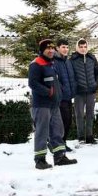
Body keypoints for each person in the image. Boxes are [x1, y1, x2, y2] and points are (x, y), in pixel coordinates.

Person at [28, 39, 77, 169]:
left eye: (52, 48)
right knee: (42, 132)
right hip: (42, 105)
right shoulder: (36, 64)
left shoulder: (52, 63)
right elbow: (32, 83)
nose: (50, 51)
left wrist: (58, 92)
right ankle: (40, 160)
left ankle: (60, 156)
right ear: (42, 50)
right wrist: (48, 92)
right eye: (47, 49)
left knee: (58, 130)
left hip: (54, 105)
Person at [69, 38, 98, 144]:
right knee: (79, 115)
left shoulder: (92, 58)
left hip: (91, 91)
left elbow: (97, 73)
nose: (83, 49)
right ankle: (81, 136)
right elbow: (71, 76)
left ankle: (89, 136)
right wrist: (75, 87)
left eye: (85, 47)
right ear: (77, 47)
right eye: (81, 47)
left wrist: (96, 85)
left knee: (90, 114)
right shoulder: (72, 59)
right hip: (79, 92)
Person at [54, 38, 76, 152]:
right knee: (63, 121)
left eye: (67, 47)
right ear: (57, 48)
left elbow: (71, 78)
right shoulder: (54, 61)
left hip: (69, 96)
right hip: (60, 98)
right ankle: (59, 144)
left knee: (68, 121)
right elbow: (56, 80)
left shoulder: (67, 61)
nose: (65, 49)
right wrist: (61, 90)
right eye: (63, 47)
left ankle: (63, 142)